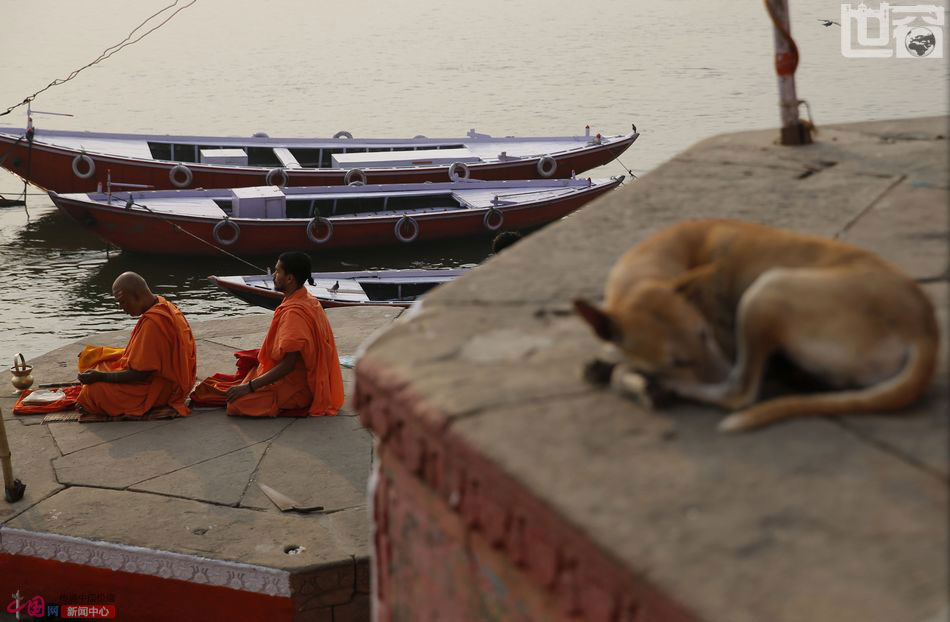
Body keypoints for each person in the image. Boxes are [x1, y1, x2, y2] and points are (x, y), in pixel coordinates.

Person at [221, 252, 344, 417]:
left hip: (299, 385)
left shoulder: (294, 312)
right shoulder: (307, 298)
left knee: (236, 404)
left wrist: (249, 387)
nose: (273, 276)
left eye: (278, 271)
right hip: (301, 375)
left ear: (290, 279)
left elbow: (289, 364)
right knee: (250, 371)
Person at [77, 272, 197, 417]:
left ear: (137, 296)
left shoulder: (153, 323)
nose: (120, 308)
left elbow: (141, 374)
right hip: (171, 380)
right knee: (96, 360)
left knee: (92, 392)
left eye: (122, 302)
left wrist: (101, 377)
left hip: (160, 389)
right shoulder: (163, 304)